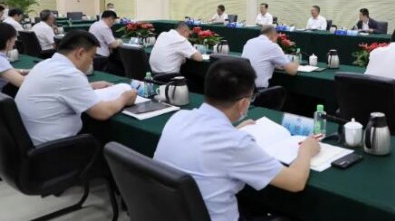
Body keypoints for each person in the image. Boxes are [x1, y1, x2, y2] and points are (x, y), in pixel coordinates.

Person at [153, 58, 320, 221]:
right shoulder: (235, 143)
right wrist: (306, 150)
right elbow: (295, 182)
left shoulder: (179, 117)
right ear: (243, 104)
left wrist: (234, 130)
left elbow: (208, 145)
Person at [15, 30, 136, 146]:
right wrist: (124, 98)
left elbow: (58, 90)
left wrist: (91, 86)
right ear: (80, 53)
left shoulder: (45, 64)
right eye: (92, 57)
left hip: (30, 140)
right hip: (53, 148)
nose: (91, 62)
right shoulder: (69, 74)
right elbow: (102, 112)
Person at [0, 23, 26, 91]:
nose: (14, 43)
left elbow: (5, 70)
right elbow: (22, 83)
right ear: (8, 41)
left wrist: (26, 71)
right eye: (14, 39)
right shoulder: (1, 60)